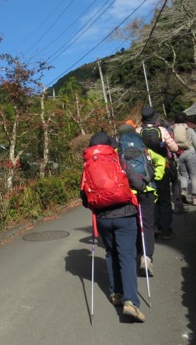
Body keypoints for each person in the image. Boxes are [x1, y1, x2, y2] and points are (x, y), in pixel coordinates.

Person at [81, 131, 147, 322]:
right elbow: (138, 184)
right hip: (125, 214)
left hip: (103, 218)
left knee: (111, 253)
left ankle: (116, 293)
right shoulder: (119, 161)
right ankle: (131, 302)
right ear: (109, 147)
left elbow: (85, 199)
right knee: (127, 256)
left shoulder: (88, 167)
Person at [117, 122, 163, 277]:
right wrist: (155, 176)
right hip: (147, 189)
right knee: (147, 225)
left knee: (133, 225)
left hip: (128, 193)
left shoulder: (118, 151)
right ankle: (147, 257)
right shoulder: (144, 149)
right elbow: (161, 161)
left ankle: (136, 255)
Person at [139, 106, 180, 240]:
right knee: (165, 198)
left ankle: (154, 227)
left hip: (145, 170)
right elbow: (174, 147)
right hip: (162, 168)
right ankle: (166, 229)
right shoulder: (161, 130)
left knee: (151, 198)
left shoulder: (138, 131)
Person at [172, 111, 196, 205]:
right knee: (194, 175)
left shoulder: (173, 130)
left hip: (179, 153)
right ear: (185, 120)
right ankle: (195, 198)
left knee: (183, 175)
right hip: (190, 152)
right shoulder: (189, 130)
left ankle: (184, 191)